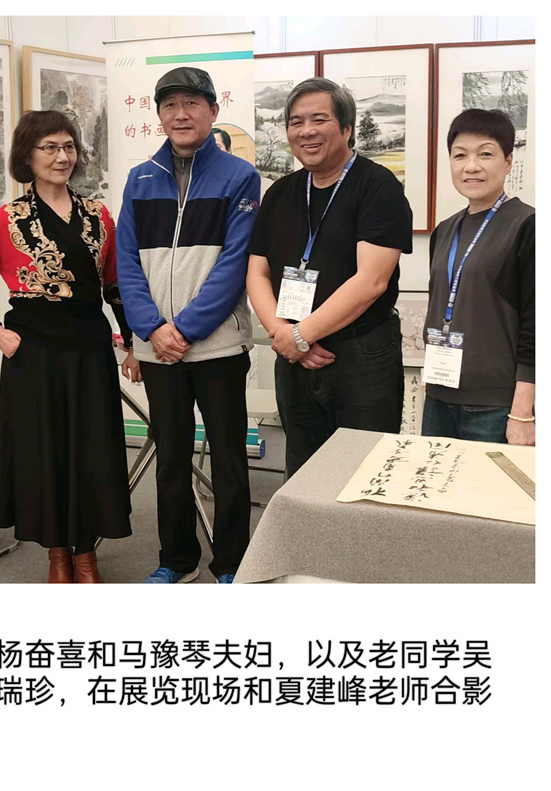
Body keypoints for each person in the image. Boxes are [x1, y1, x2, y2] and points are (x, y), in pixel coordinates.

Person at [0, 110, 138, 583]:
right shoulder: (8, 219)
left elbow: (115, 287)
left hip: (89, 351)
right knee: (46, 456)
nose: (62, 157)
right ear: (27, 156)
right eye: (50, 148)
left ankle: (86, 553)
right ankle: (58, 554)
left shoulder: (98, 215)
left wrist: (131, 345)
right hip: (34, 356)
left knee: (92, 453)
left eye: (68, 147)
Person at [117, 67, 260, 584]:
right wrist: (152, 328)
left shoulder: (239, 176)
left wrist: (186, 329)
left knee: (228, 460)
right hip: (157, 348)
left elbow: (235, 263)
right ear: (158, 115)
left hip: (217, 346)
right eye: (170, 105)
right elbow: (126, 263)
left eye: (192, 103)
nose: (181, 114)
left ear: (213, 111)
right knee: (171, 459)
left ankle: (232, 564)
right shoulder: (140, 178)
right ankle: (176, 561)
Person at [247, 77, 413, 477]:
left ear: (347, 127)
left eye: (318, 119)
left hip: (360, 354)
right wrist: (285, 335)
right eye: (296, 121)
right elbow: (257, 272)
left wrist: (300, 335)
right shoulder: (281, 193)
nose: (306, 131)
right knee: (303, 473)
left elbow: (371, 281)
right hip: (293, 355)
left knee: (362, 474)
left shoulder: (378, 187)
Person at [421, 108, 535, 445]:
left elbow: (536, 327)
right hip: (439, 396)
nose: (471, 166)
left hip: (496, 407)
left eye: (485, 154)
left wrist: (522, 413)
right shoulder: (445, 230)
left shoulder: (527, 226)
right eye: (460, 155)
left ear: (509, 161)